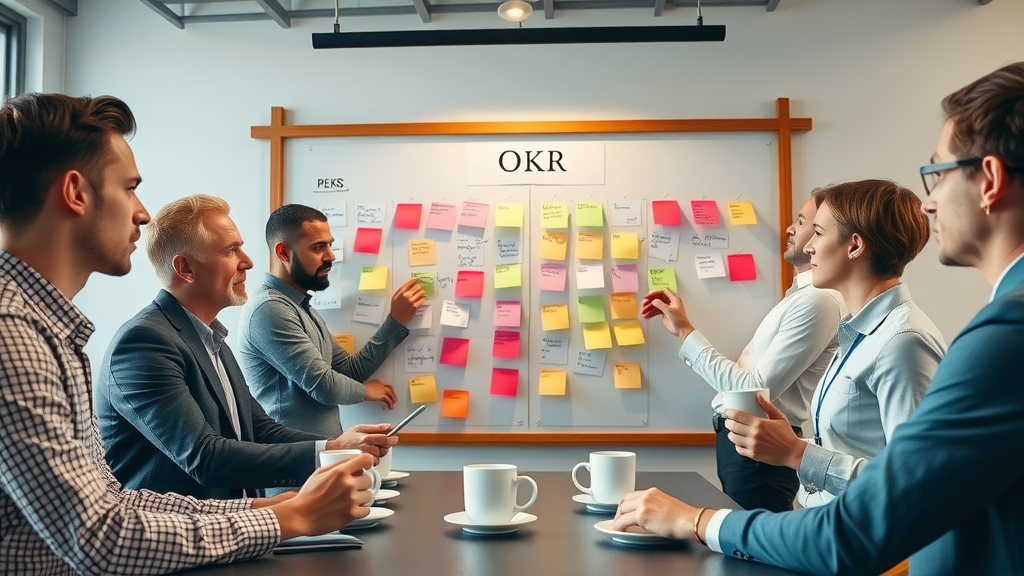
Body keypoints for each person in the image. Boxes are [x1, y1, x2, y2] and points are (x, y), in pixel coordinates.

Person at [613, 62, 1024, 576]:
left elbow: (870, 521)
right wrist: (795, 448)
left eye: (936, 173)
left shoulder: (997, 335)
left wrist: (698, 520)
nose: (928, 203)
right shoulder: (864, 330)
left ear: (988, 180)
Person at [0, 93, 375, 575]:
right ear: (76, 192)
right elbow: (97, 537)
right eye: (129, 187)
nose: (142, 212)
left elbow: (114, 500)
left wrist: (272, 512)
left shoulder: (48, 329)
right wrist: (290, 517)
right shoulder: (16, 332)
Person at [95, 194, 397, 499]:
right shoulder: (143, 343)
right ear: (186, 268)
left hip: (232, 524)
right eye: (231, 251)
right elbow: (204, 456)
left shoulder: (212, 340)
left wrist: (338, 446)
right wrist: (332, 449)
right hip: (176, 537)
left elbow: (259, 429)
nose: (248, 262)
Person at [721, 180, 946, 507]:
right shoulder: (855, 331)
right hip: (831, 528)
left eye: (819, 233)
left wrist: (797, 453)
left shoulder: (903, 341)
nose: (809, 246)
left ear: (854, 246)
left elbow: (914, 480)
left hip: (870, 548)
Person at [640, 195, 845, 512]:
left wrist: (686, 333)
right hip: (745, 443)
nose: (791, 228)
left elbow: (752, 391)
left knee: (753, 553)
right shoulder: (801, 298)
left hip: (759, 449)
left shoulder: (820, 301)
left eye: (805, 223)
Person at [238, 204, 426, 441]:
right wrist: (365, 392)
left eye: (330, 244)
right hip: (288, 464)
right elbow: (324, 386)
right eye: (318, 247)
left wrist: (395, 322)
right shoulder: (269, 309)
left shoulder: (302, 308)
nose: (331, 255)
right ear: (284, 252)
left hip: (317, 458)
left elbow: (348, 371)